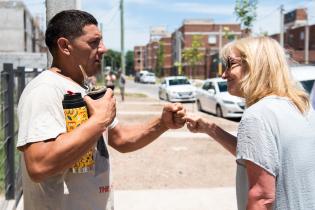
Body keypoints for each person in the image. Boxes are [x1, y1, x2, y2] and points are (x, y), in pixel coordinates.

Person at [17, 10, 186, 210]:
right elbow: (39, 165)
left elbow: (120, 138)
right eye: (93, 42)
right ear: (65, 46)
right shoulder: (45, 90)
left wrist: (162, 123)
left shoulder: (81, 87)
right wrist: (98, 121)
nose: (103, 49)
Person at [185, 36, 315, 210]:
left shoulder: (257, 115)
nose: (223, 74)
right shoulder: (303, 108)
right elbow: (259, 157)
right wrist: (210, 128)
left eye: (230, 64)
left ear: (254, 64)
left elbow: (262, 197)